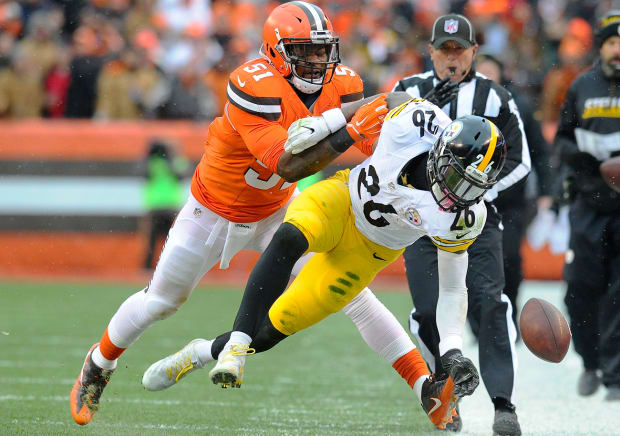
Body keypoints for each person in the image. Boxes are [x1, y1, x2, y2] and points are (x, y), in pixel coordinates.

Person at [69, 2, 453, 428]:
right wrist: (351, 129)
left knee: (355, 298)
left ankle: (425, 387)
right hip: (212, 212)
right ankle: (98, 364)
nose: (317, 61)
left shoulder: (342, 84)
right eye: (304, 51)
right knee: (161, 302)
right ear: (275, 52)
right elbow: (286, 165)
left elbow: (373, 141)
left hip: (276, 211)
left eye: (322, 50)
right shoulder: (254, 84)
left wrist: (402, 128)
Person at [146, 106, 506, 428]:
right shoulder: (415, 123)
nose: (458, 194)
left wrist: (453, 350)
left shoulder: (467, 215)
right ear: (442, 151)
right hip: (342, 201)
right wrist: (332, 122)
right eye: (457, 178)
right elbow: (389, 97)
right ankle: (236, 345)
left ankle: (199, 353)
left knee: (274, 329)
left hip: (369, 253)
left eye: (472, 188)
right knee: (289, 237)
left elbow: (454, 287)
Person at [392, 14, 531, 436]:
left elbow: (519, 160)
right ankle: (446, 400)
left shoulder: (495, 97)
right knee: (429, 311)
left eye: (460, 50)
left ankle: (503, 405)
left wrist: (475, 192)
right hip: (420, 219)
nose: (452, 58)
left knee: (490, 306)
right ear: (431, 51)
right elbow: (386, 150)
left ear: (473, 52)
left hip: (477, 219)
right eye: (444, 50)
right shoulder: (408, 92)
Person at [555, 10, 620, 401]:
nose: (619, 50)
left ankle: (615, 375)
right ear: (601, 47)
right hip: (588, 204)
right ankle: (590, 361)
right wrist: (589, 160)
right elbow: (560, 142)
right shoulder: (581, 86)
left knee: (619, 293)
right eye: (613, 42)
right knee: (579, 288)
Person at [475, 53, 553, 330]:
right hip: (470, 201)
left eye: (490, 72)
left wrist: (546, 189)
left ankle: (509, 312)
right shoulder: (462, 105)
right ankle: (479, 319)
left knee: (508, 257)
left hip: (511, 199)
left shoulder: (518, 106)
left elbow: (540, 151)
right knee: (471, 261)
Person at [141, 139, 189, 270]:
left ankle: (157, 267)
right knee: (161, 240)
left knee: (162, 240)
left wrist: (166, 158)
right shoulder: (159, 162)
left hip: (163, 205)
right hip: (162, 206)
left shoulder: (165, 162)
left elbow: (180, 175)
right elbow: (143, 174)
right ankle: (158, 268)